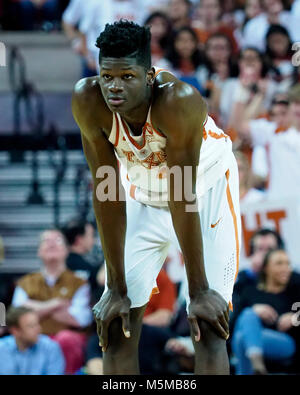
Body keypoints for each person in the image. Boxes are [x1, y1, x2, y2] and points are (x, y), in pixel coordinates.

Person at [72, 20, 241, 375]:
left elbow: (182, 194)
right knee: (117, 325)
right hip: (144, 193)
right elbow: (106, 190)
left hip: (204, 191)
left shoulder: (178, 101)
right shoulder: (88, 100)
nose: (114, 87)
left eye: (127, 77)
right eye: (107, 76)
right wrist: (114, 287)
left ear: (149, 75)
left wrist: (197, 290)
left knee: (207, 324)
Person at [11, 229, 93, 374]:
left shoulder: (80, 282)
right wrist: (56, 304)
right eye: (46, 240)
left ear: (67, 250)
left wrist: (33, 307)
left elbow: (81, 319)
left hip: (66, 338)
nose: (52, 243)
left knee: (66, 339)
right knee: (18, 339)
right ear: (38, 251)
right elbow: (17, 317)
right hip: (33, 336)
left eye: (58, 240)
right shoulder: (25, 282)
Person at [232, 248, 300, 374]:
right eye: (279, 263)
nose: (285, 268)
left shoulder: (295, 289)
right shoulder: (250, 292)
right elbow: (234, 324)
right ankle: (257, 364)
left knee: (243, 337)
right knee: (246, 321)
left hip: (285, 342)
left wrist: (295, 318)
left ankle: (257, 366)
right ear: (266, 268)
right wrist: (254, 309)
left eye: (288, 264)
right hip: (251, 338)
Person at [0, 307, 65, 375]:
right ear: (15, 331)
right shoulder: (2, 349)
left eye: (37, 324)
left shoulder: (51, 347)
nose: (38, 329)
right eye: (31, 326)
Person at [62, 218, 103, 303]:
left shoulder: (60, 263)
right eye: (91, 235)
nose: (94, 240)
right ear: (79, 240)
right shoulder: (88, 268)